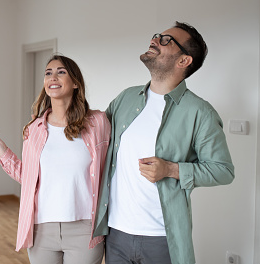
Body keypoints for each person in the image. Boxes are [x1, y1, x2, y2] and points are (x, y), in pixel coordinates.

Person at [94, 22, 235, 264]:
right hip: (116, 232)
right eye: (157, 36)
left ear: (184, 61)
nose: (155, 40)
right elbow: (96, 137)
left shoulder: (200, 112)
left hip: (161, 238)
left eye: (167, 40)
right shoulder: (126, 98)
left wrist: (171, 169)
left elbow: (223, 171)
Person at [0, 54, 110, 264]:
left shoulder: (97, 123)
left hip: (84, 229)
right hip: (41, 230)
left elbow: (111, 169)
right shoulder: (35, 129)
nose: (53, 77)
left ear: (75, 82)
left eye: (61, 72)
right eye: (48, 73)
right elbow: (28, 177)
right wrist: (0, 147)